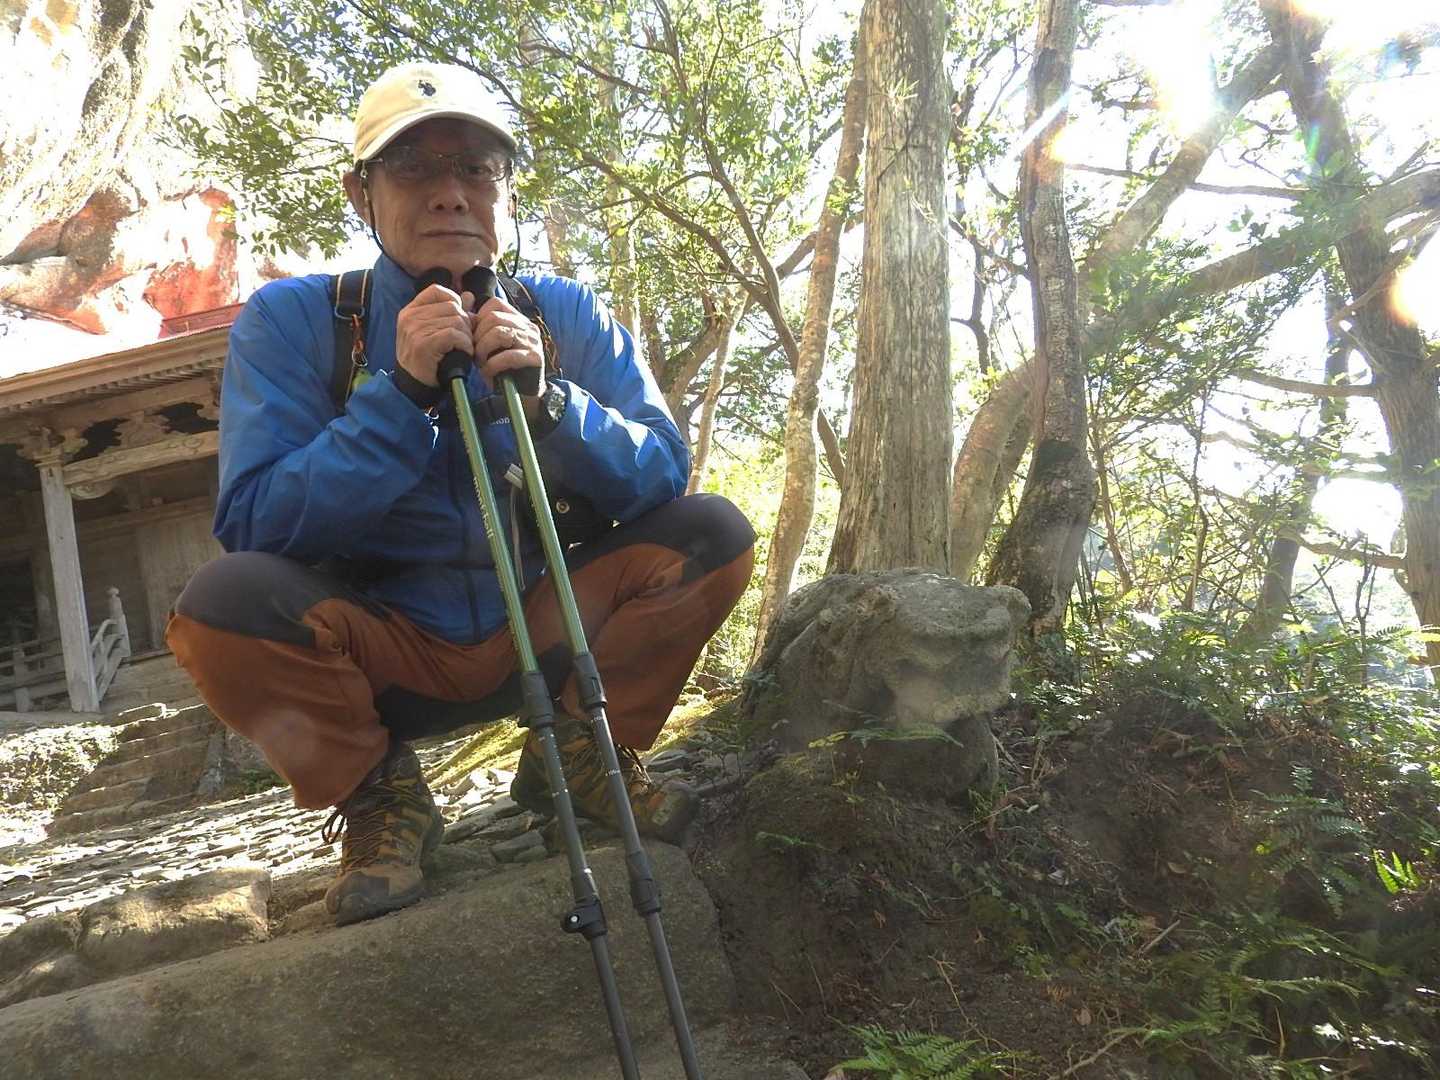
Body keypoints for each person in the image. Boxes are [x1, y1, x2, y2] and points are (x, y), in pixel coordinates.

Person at [166, 62, 755, 927]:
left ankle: (583, 758)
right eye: (413, 167)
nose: (450, 193)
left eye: (477, 168)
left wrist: (552, 405)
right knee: (221, 607)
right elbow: (254, 521)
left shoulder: (563, 311)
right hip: (385, 650)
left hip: (549, 629)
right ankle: (380, 798)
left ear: (506, 193)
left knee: (713, 534)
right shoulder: (296, 321)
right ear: (360, 194)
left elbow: (663, 471)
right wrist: (399, 398)